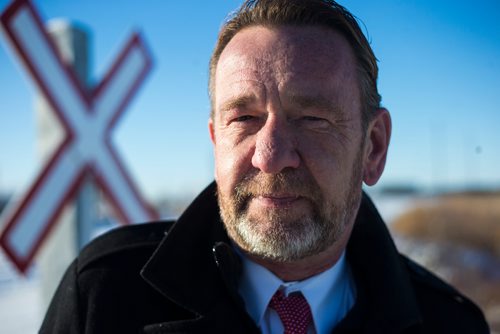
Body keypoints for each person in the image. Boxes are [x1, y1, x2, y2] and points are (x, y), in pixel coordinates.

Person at [40, 0, 489, 333]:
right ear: (217, 142)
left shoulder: (450, 323)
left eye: (311, 119)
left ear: (372, 147)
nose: (270, 155)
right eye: (244, 119)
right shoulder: (104, 298)